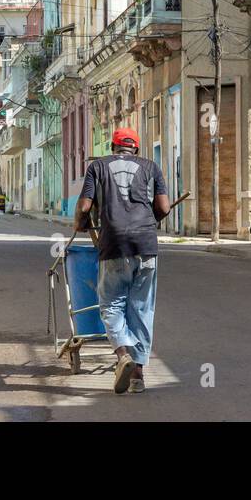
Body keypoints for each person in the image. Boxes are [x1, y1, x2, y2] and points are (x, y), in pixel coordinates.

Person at [75, 128, 170, 394]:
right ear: (135, 149)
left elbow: (84, 207)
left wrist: (80, 225)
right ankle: (138, 376)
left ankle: (123, 355)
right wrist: (147, 224)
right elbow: (163, 208)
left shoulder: (98, 167)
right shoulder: (151, 167)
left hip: (114, 244)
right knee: (141, 309)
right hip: (146, 245)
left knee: (111, 304)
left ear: (113, 146)